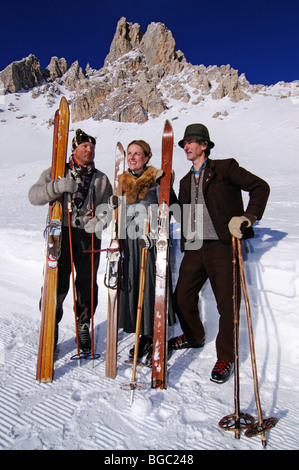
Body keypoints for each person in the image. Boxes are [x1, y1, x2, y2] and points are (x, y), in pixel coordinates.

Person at [169, 123, 270, 383]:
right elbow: (182, 214)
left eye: (191, 141)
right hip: (195, 247)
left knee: (228, 303)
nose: (186, 146)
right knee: (181, 297)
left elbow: (260, 187)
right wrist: (166, 190)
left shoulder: (225, 168)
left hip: (223, 246)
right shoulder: (183, 180)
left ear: (204, 145)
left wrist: (247, 217)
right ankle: (194, 336)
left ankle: (226, 356)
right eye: (184, 143)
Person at [28, 129, 113, 352]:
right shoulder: (57, 171)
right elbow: (34, 195)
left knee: (87, 284)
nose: (89, 150)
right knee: (56, 282)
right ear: (74, 149)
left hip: (88, 234)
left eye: (92, 147)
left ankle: (83, 326)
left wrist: (100, 221)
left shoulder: (101, 179)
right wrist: (56, 187)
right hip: (60, 232)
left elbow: (109, 206)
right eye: (84, 146)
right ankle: (51, 326)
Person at [113, 139, 176, 363]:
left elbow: (173, 209)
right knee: (134, 287)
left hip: (149, 242)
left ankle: (153, 334)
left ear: (147, 157)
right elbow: (117, 213)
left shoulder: (158, 181)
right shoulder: (122, 182)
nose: (132, 157)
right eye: (130, 153)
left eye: (137, 154)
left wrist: (158, 229)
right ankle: (141, 333)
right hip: (129, 243)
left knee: (150, 286)